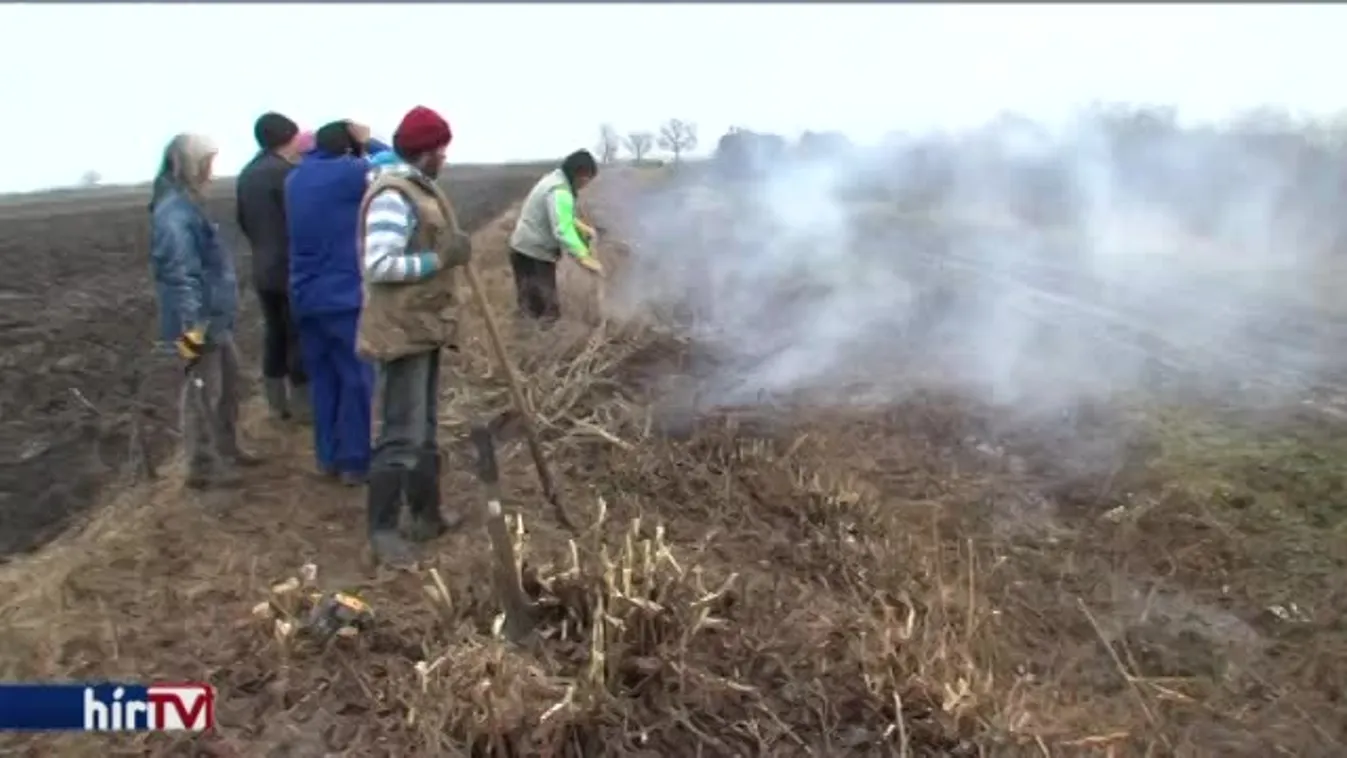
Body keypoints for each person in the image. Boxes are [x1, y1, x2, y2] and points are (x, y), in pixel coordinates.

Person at [356, 105, 472, 566]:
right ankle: (383, 532)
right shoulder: (392, 196)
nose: (445, 156)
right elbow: (378, 265)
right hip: (401, 330)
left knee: (423, 429)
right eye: (441, 148)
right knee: (400, 433)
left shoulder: (419, 188)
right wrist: (439, 261)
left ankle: (427, 516)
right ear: (427, 151)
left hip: (423, 326)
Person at [148, 133, 260, 489]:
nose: (212, 173)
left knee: (229, 384)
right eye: (208, 164)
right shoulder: (174, 216)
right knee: (201, 392)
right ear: (192, 166)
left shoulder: (188, 206)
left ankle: (228, 448)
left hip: (214, 320)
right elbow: (181, 275)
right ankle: (203, 467)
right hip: (197, 325)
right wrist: (190, 330)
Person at [284, 120, 391, 486]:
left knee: (323, 378)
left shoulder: (294, 179)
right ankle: (355, 461)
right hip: (343, 296)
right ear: (347, 149)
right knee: (357, 379)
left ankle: (327, 457)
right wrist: (367, 140)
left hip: (304, 296)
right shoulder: (352, 172)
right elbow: (396, 163)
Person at [236, 112, 311, 423]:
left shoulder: (247, 174)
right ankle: (303, 406)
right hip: (289, 267)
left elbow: (243, 220)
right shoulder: (287, 175)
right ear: (288, 137)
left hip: (262, 268)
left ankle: (275, 403)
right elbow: (300, 222)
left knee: (274, 333)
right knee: (298, 335)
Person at [507, 149, 605, 323]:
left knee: (529, 304)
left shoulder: (554, 179)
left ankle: (526, 335)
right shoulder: (560, 191)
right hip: (535, 254)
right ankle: (542, 343)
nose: (586, 184)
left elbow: (560, 214)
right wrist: (583, 256)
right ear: (579, 174)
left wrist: (581, 227)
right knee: (548, 311)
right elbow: (562, 229)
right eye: (587, 178)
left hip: (522, 247)